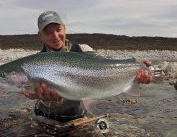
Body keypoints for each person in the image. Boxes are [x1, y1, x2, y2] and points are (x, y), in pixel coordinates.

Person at [23, 11, 152, 123]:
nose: (56, 36)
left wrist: (136, 66)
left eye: (58, 30)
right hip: (44, 118)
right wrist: (49, 99)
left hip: (77, 119)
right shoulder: (36, 62)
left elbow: (107, 68)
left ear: (64, 28)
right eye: (48, 32)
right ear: (40, 35)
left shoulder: (83, 50)